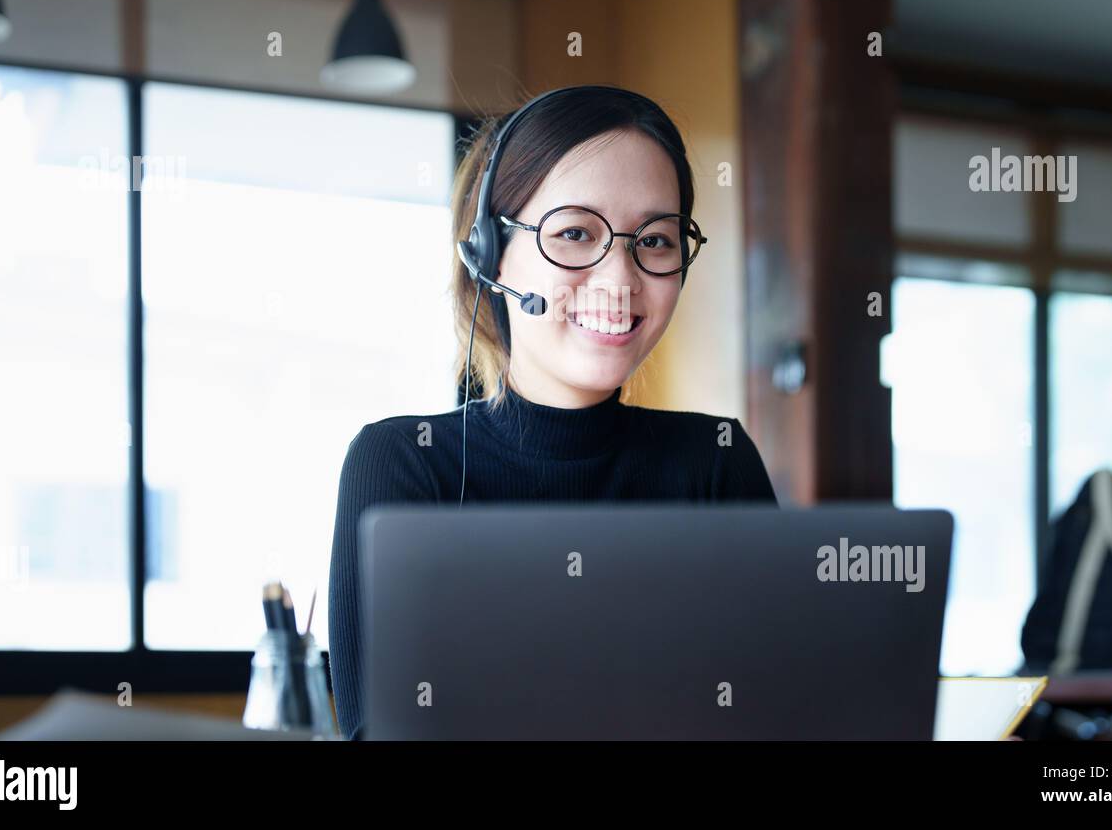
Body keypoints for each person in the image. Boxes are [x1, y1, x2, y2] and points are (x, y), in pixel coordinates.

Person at [327, 85, 777, 740]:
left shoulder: (715, 461)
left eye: (654, 240)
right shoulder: (403, 464)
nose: (619, 281)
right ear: (488, 254)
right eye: (573, 233)